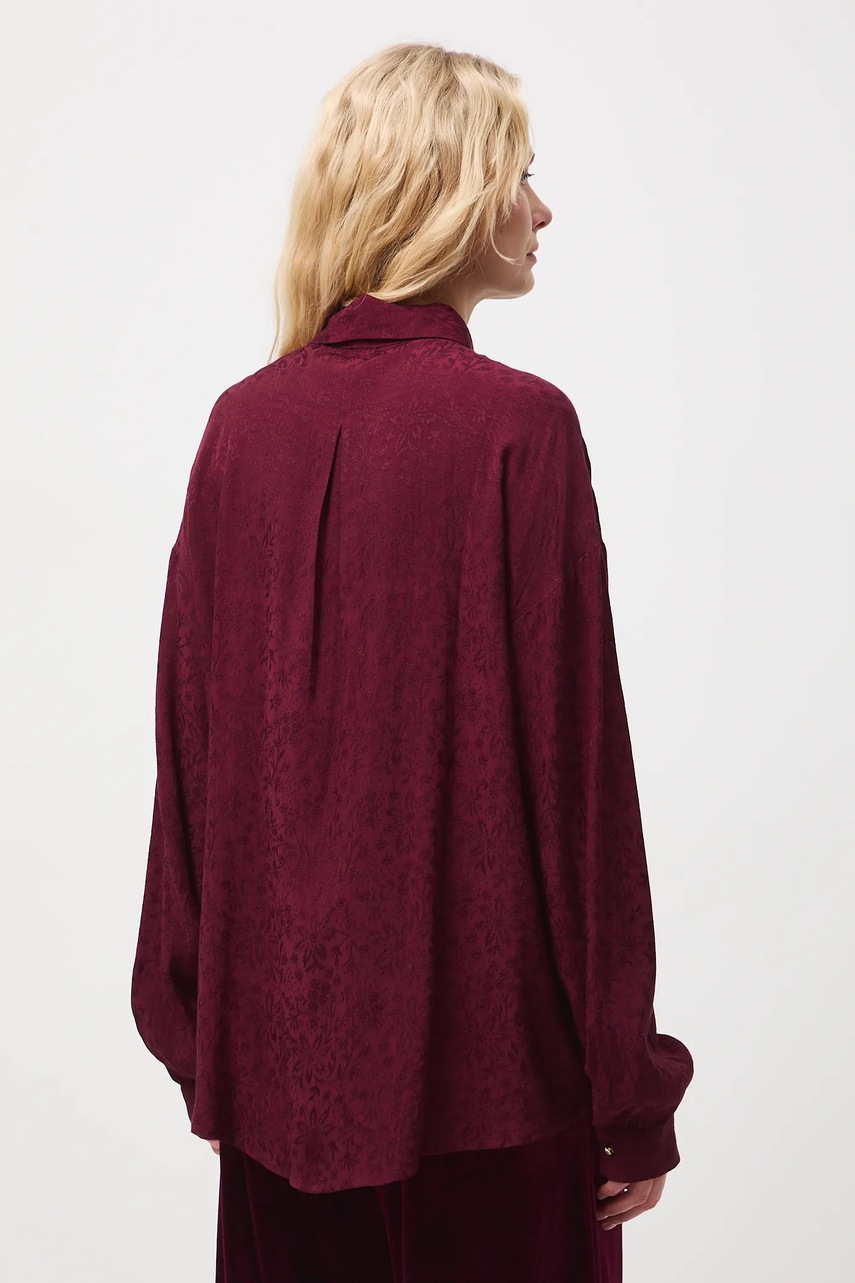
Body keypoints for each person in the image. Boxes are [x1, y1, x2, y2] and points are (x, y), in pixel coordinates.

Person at [130, 40, 694, 1282]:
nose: (543, 209)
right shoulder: (521, 429)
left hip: (279, 1091)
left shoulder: (240, 428)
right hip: (502, 1099)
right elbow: (581, 785)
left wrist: (203, 1037)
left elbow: (190, 760)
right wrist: (630, 1091)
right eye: (521, 173)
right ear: (445, 189)